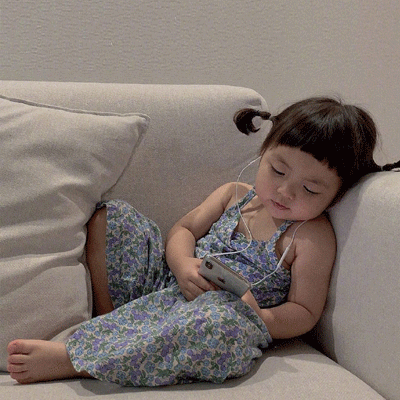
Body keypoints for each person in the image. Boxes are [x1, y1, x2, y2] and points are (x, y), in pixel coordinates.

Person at [7, 96, 399, 386]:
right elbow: (183, 230)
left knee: (219, 322)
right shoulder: (234, 194)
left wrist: (261, 317)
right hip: (169, 286)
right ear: (263, 153)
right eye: (277, 171)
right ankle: (113, 325)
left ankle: (82, 359)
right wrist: (182, 265)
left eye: (310, 189)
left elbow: (305, 310)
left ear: (337, 194)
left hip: (221, 317)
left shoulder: (310, 235)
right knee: (115, 217)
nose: (285, 192)